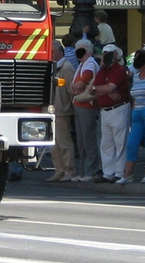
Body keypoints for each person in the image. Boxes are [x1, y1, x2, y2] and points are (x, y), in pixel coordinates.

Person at [88, 44, 131, 183]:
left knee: (120, 142)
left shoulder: (118, 70)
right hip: (105, 110)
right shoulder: (102, 70)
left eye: (109, 54)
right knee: (106, 143)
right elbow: (91, 89)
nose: (106, 56)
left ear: (116, 56)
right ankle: (108, 172)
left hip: (118, 109)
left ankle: (120, 173)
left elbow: (109, 87)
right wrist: (104, 90)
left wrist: (100, 89)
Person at [117, 49, 145, 184]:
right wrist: (133, 111)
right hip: (137, 112)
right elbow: (134, 96)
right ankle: (127, 175)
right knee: (132, 144)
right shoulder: (136, 77)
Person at [69, 39, 101, 183]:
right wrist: (76, 87)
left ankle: (91, 171)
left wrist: (76, 87)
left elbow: (79, 84)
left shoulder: (90, 65)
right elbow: (73, 86)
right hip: (79, 104)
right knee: (81, 141)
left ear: (88, 51)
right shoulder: (82, 65)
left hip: (87, 105)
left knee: (88, 140)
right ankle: (83, 171)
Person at [46, 39, 78, 182]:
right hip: (51, 110)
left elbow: (71, 90)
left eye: (52, 51)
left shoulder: (67, 67)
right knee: (53, 145)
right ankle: (59, 170)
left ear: (60, 52)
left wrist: (70, 107)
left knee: (64, 143)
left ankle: (69, 170)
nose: (50, 54)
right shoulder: (52, 67)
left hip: (62, 110)